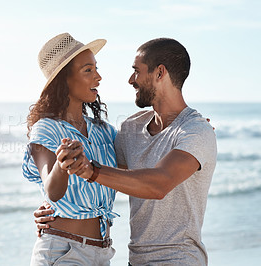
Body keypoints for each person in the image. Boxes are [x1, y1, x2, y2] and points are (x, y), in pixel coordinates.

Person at [35, 38, 217, 265]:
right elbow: (113, 176)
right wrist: (51, 209)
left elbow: (158, 184)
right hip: (133, 259)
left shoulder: (196, 130)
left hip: (178, 259)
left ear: (160, 73)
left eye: (136, 72)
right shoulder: (130, 128)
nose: (131, 80)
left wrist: (91, 171)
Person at [22, 32, 119, 266]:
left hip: (102, 253)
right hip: (63, 251)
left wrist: (184, 126)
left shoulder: (104, 131)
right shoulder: (45, 129)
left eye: (96, 68)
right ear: (64, 79)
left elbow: (139, 167)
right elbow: (53, 191)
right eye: (88, 70)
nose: (98, 77)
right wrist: (62, 165)